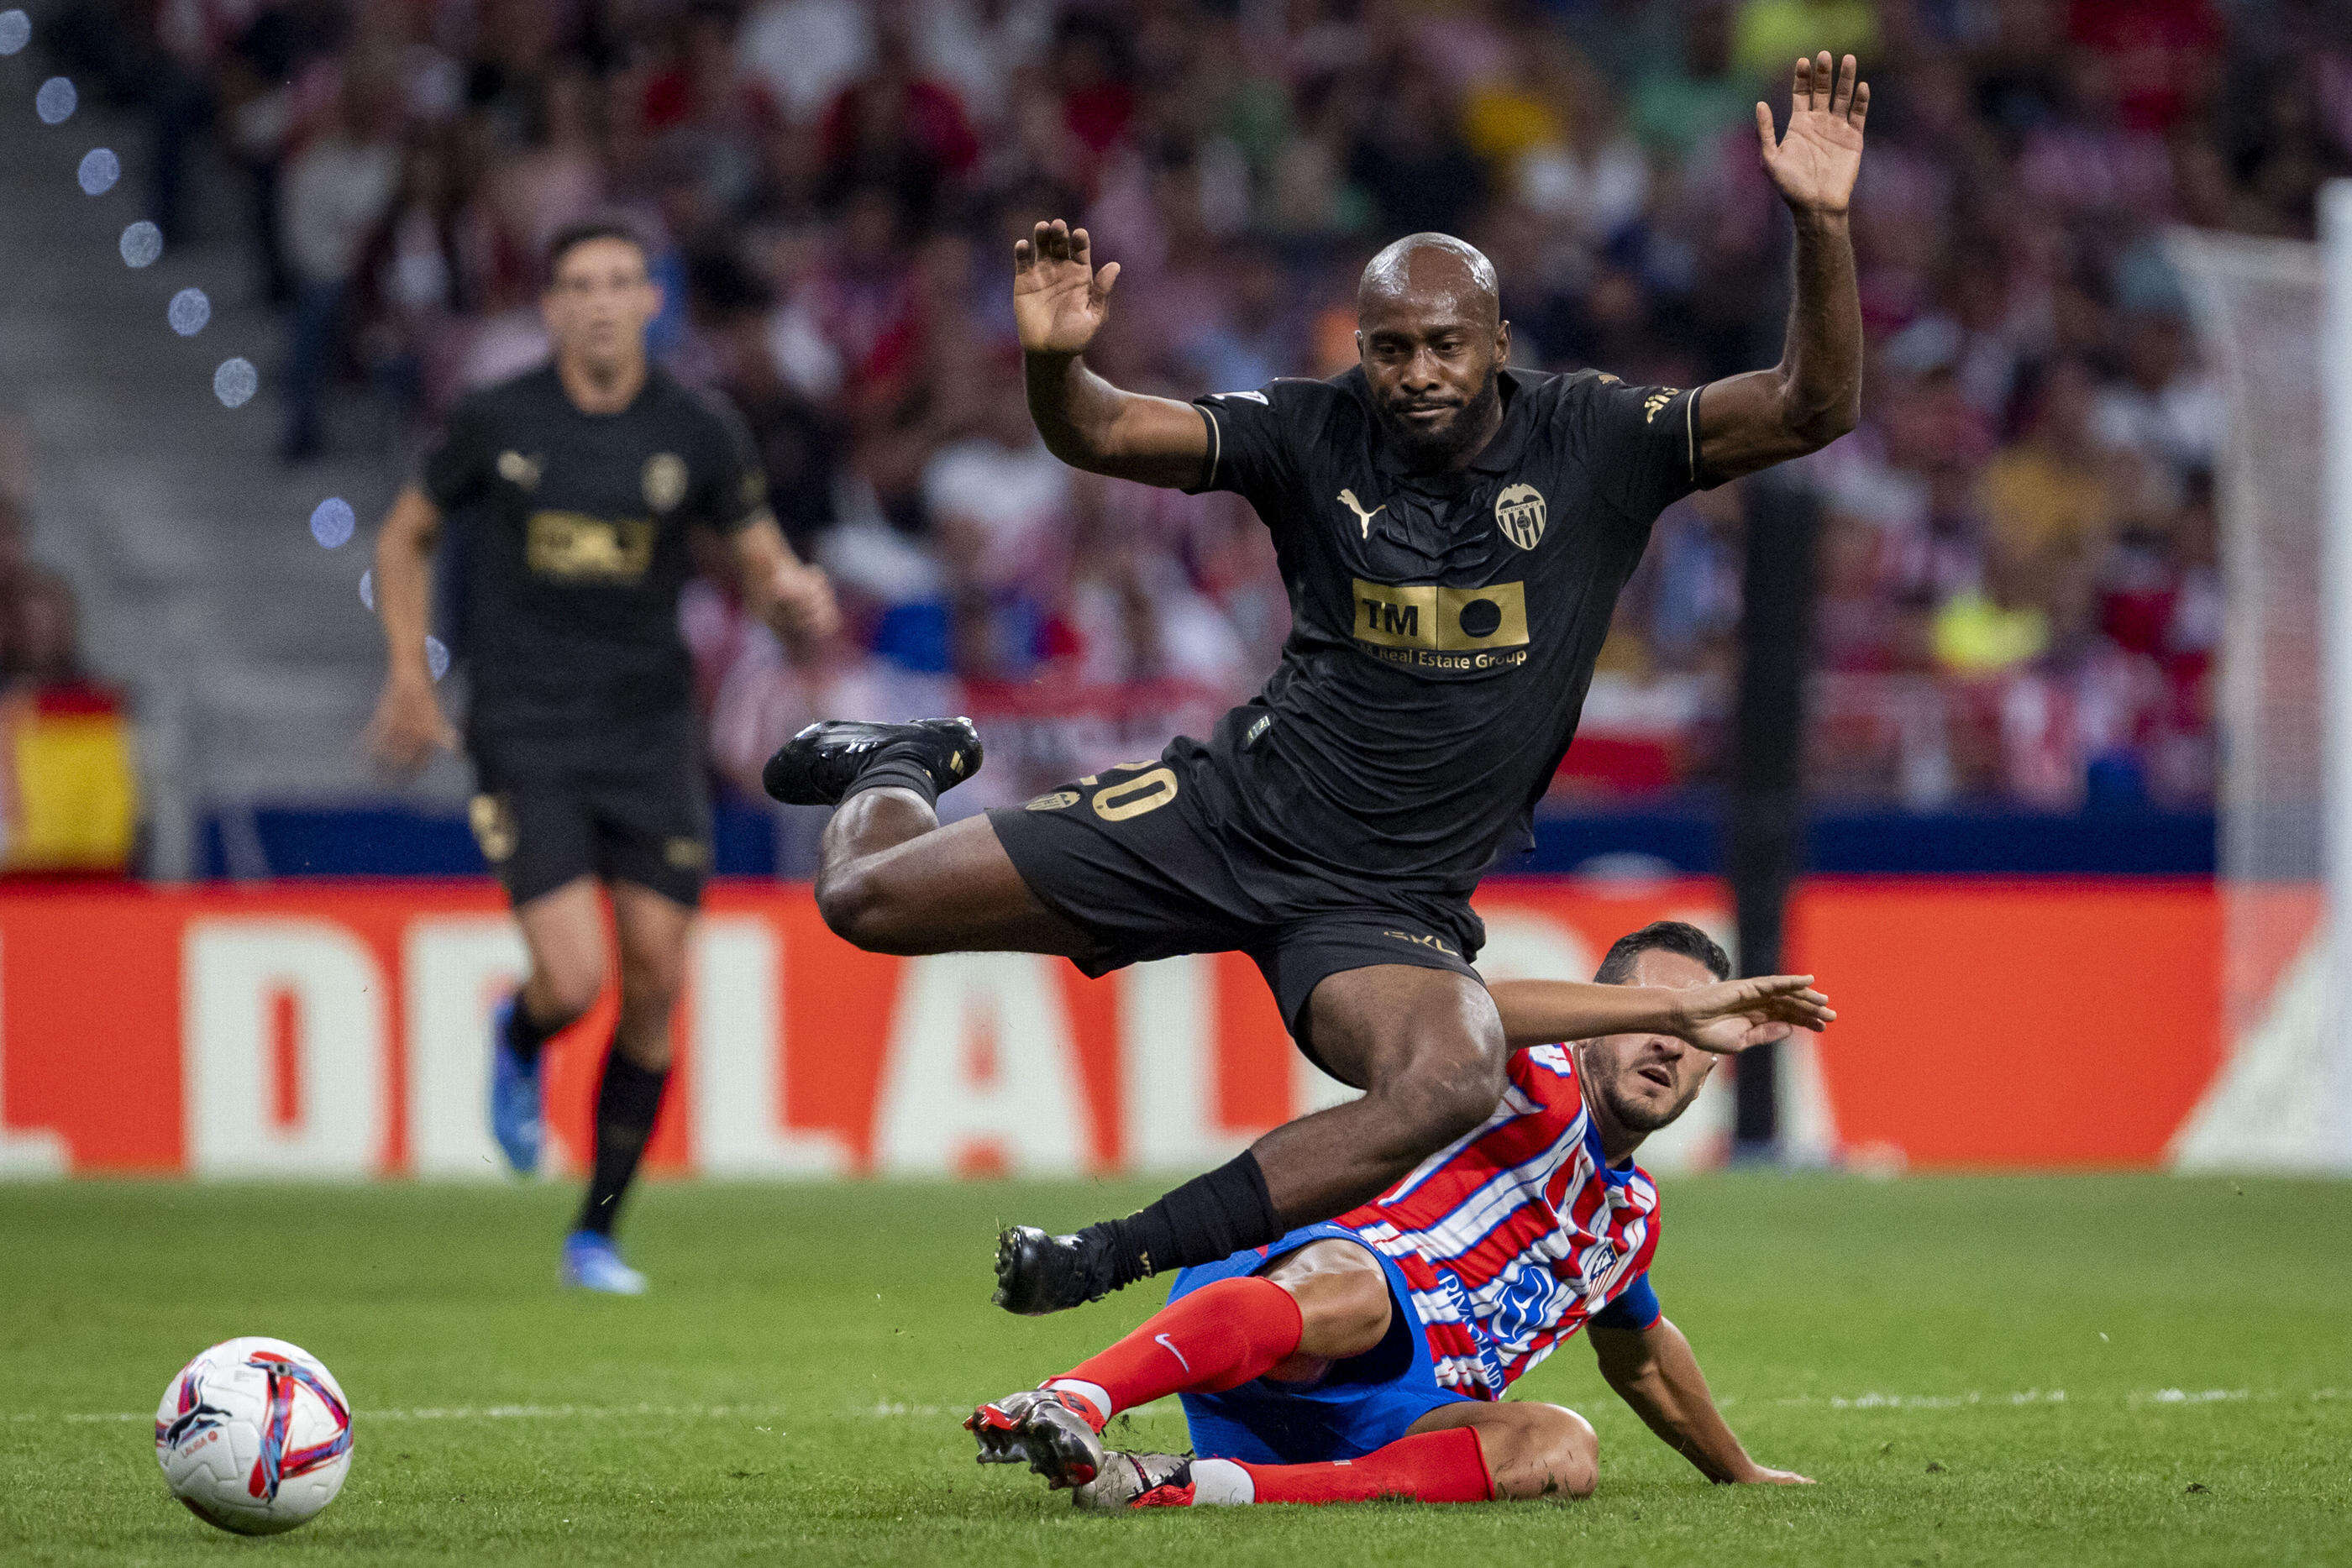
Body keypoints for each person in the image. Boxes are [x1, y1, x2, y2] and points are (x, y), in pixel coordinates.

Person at [764, 55, 1871, 1316]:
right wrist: (1055, 369)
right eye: (1390, 347)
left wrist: (1821, 224)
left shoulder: (1598, 439)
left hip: (1385, 902)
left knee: (1448, 1075)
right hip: (1234, 814)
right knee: (864, 897)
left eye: (1447, 344)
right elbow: (1108, 431)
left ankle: (1113, 1253)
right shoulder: (1309, 428)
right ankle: (899, 759)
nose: (1416, 371)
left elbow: (1812, 406)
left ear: (1502, 342)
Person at [365, 219, 838, 1293]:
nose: (599, 301)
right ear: (550, 308)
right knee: (574, 977)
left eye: (620, 282)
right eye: (578, 283)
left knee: (658, 978)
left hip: (648, 728)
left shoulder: (699, 429)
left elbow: (761, 559)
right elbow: (404, 534)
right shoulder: (497, 419)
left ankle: (596, 1234)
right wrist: (407, 670)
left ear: (650, 302)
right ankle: (525, 1032)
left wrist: (794, 595)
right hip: (525, 724)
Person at [968, 920, 1816, 1509]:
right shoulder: (1519, 1065)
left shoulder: (1627, 1219)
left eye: (1700, 1034)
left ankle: (1194, 1486)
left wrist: (1739, 1471)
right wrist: (1675, 1009)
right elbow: (1464, 1008)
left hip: (1393, 1408)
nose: (1672, 1043)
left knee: (1561, 1447)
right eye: (1656, 1017)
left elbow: (1646, 1360)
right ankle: (1072, 1397)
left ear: (1719, 1067)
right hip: (1295, 1307)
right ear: (1603, 1016)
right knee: (1357, 1288)